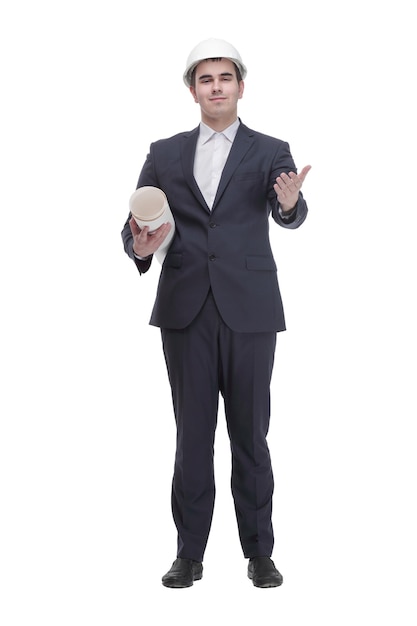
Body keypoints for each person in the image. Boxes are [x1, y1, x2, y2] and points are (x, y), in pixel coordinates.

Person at [121, 38, 311, 588]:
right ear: (193, 90)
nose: (217, 87)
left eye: (225, 78)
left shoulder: (270, 148)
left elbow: (288, 212)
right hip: (185, 310)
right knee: (192, 435)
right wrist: (138, 244)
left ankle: (259, 552)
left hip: (249, 311)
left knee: (251, 434)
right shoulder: (164, 152)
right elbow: (135, 224)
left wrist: (292, 203)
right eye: (206, 80)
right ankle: (189, 552)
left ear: (240, 86)